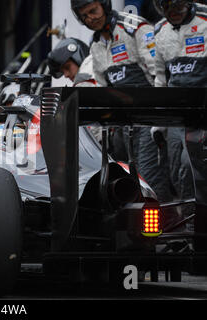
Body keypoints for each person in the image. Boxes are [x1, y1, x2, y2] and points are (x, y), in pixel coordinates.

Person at [71, 0, 175, 214]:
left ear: (104, 5)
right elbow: (103, 88)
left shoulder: (135, 27)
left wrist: (158, 119)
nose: (91, 18)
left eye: (93, 11)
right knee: (128, 178)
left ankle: (165, 230)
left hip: (149, 118)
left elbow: (160, 73)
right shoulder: (96, 44)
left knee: (148, 176)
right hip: (122, 124)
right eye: (85, 16)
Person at [153, 0, 207, 250]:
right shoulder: (159, 30)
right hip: (176, 114)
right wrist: (157, 121)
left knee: (194, 169)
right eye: (165, 8)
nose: (172, 13)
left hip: (203, 111)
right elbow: (161, 77)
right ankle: (192, 236)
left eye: (176, 7)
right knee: (179, 171)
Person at [47, 37, 102, 142]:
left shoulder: (86, 80)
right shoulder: (97, 68)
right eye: (63, 72)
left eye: (67, 68)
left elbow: (92, 131)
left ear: (78, 57)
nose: (66, 75)